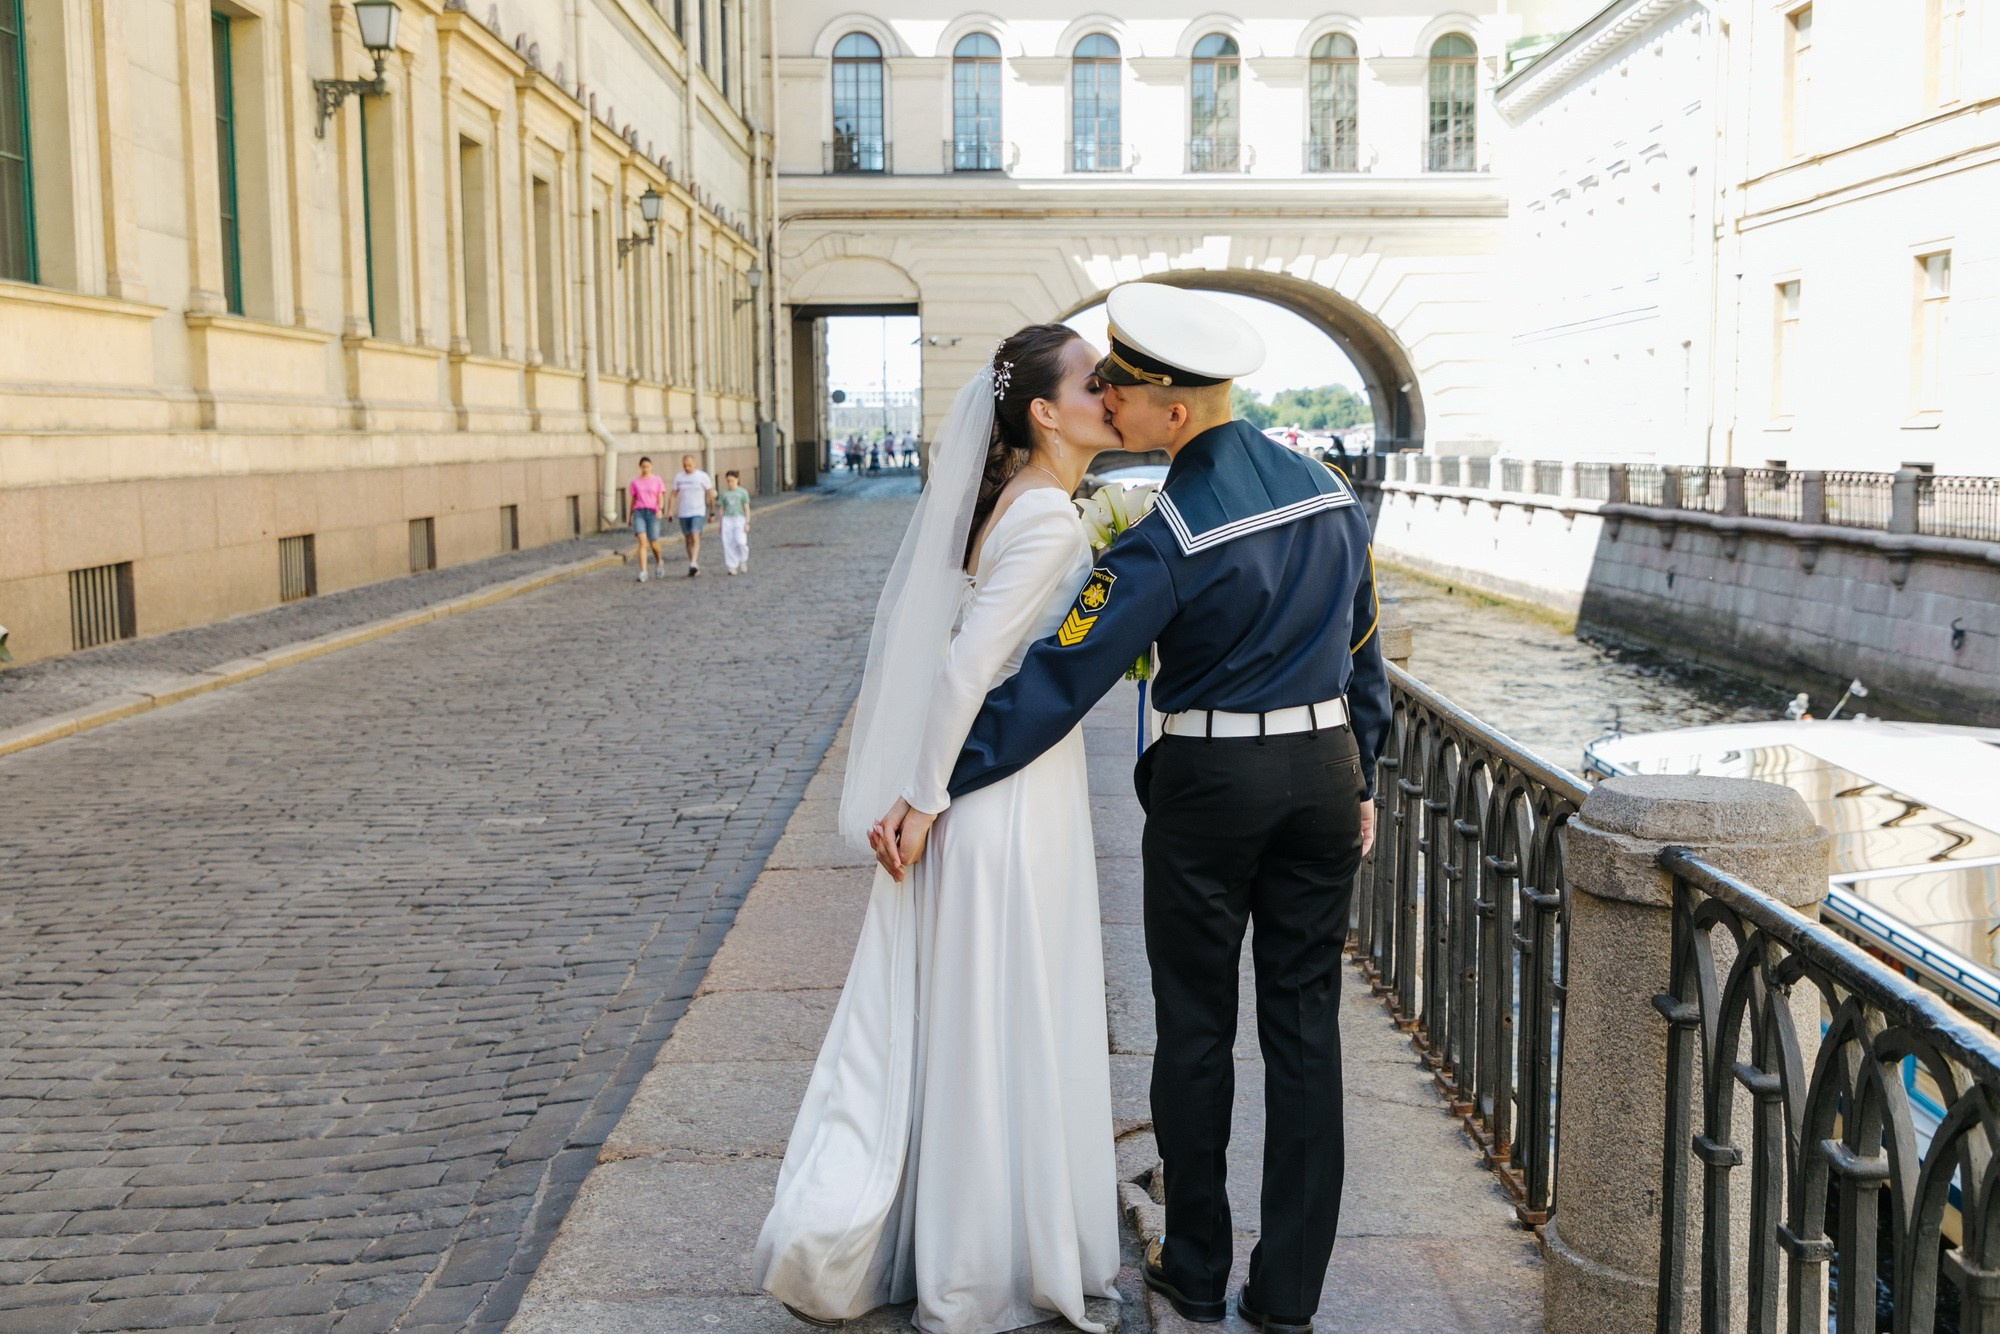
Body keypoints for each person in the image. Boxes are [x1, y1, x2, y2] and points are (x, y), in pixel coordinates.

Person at [879, 284, 1391, 1334]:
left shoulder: (1169, 532)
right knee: (1304, 1032)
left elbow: (1052, 683)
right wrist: (1365, 775)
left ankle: (1197, 1270)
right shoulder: (1330, 491)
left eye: (1121, 385)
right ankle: (1287, 1293)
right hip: (1324, 777)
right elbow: (1362, 652)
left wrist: (933, 787)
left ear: (1172, 409)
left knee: (1196, 1029)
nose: (1106, 397)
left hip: (1213, 789)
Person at [755, 325, 1131, 1333]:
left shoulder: (1008, 502)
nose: (1115, 392)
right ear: (1045, 413)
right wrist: (920, 801)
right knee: (1004, 1005)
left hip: (986, 786)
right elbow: (966, 665)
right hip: (1004, 795)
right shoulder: (1049, 516)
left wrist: (923, 792)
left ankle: (965, 1237)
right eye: (1097, 383)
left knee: (976, 1006)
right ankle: (985, 1258)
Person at [670, 454, 715, 576]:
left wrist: (712, 511)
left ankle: (694, 562)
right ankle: (693, 564)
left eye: (689, 465)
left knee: (695, 535)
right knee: (688, 539)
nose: (687, 468)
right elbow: (673, 494)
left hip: (698, 511)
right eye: (685, 465)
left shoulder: (702, 476)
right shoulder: (679, 477)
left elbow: (710, 494)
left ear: (694, 464)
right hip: (683, 512)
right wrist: (670, 511)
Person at [628, 457, 667, 583]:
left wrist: (660, 509)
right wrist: (630, 515)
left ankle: (659, 561)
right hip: (639, 512)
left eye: (647, 466)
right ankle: (643, 571)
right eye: (643, 467)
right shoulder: (635, 482)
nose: (645, 469)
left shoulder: (657, 480)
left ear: (651, 467)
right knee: (642, 542)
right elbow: (633, 500)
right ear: (640, 467)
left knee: (653, 542)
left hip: (652, 512)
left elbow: (660, 496)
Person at [718, 470, 752, 575]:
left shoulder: (742, 492)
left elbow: (746, 508)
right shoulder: (724, 493)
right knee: (728, 542)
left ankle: (743, 560)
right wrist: (720, 523)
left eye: (732, 481)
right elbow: (722, 508)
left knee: (740, 541)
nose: (730, 483)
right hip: (727, 519)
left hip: (739, 518)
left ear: (737, 480)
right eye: (728, 481)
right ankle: (732, 566)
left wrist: (747, 522)